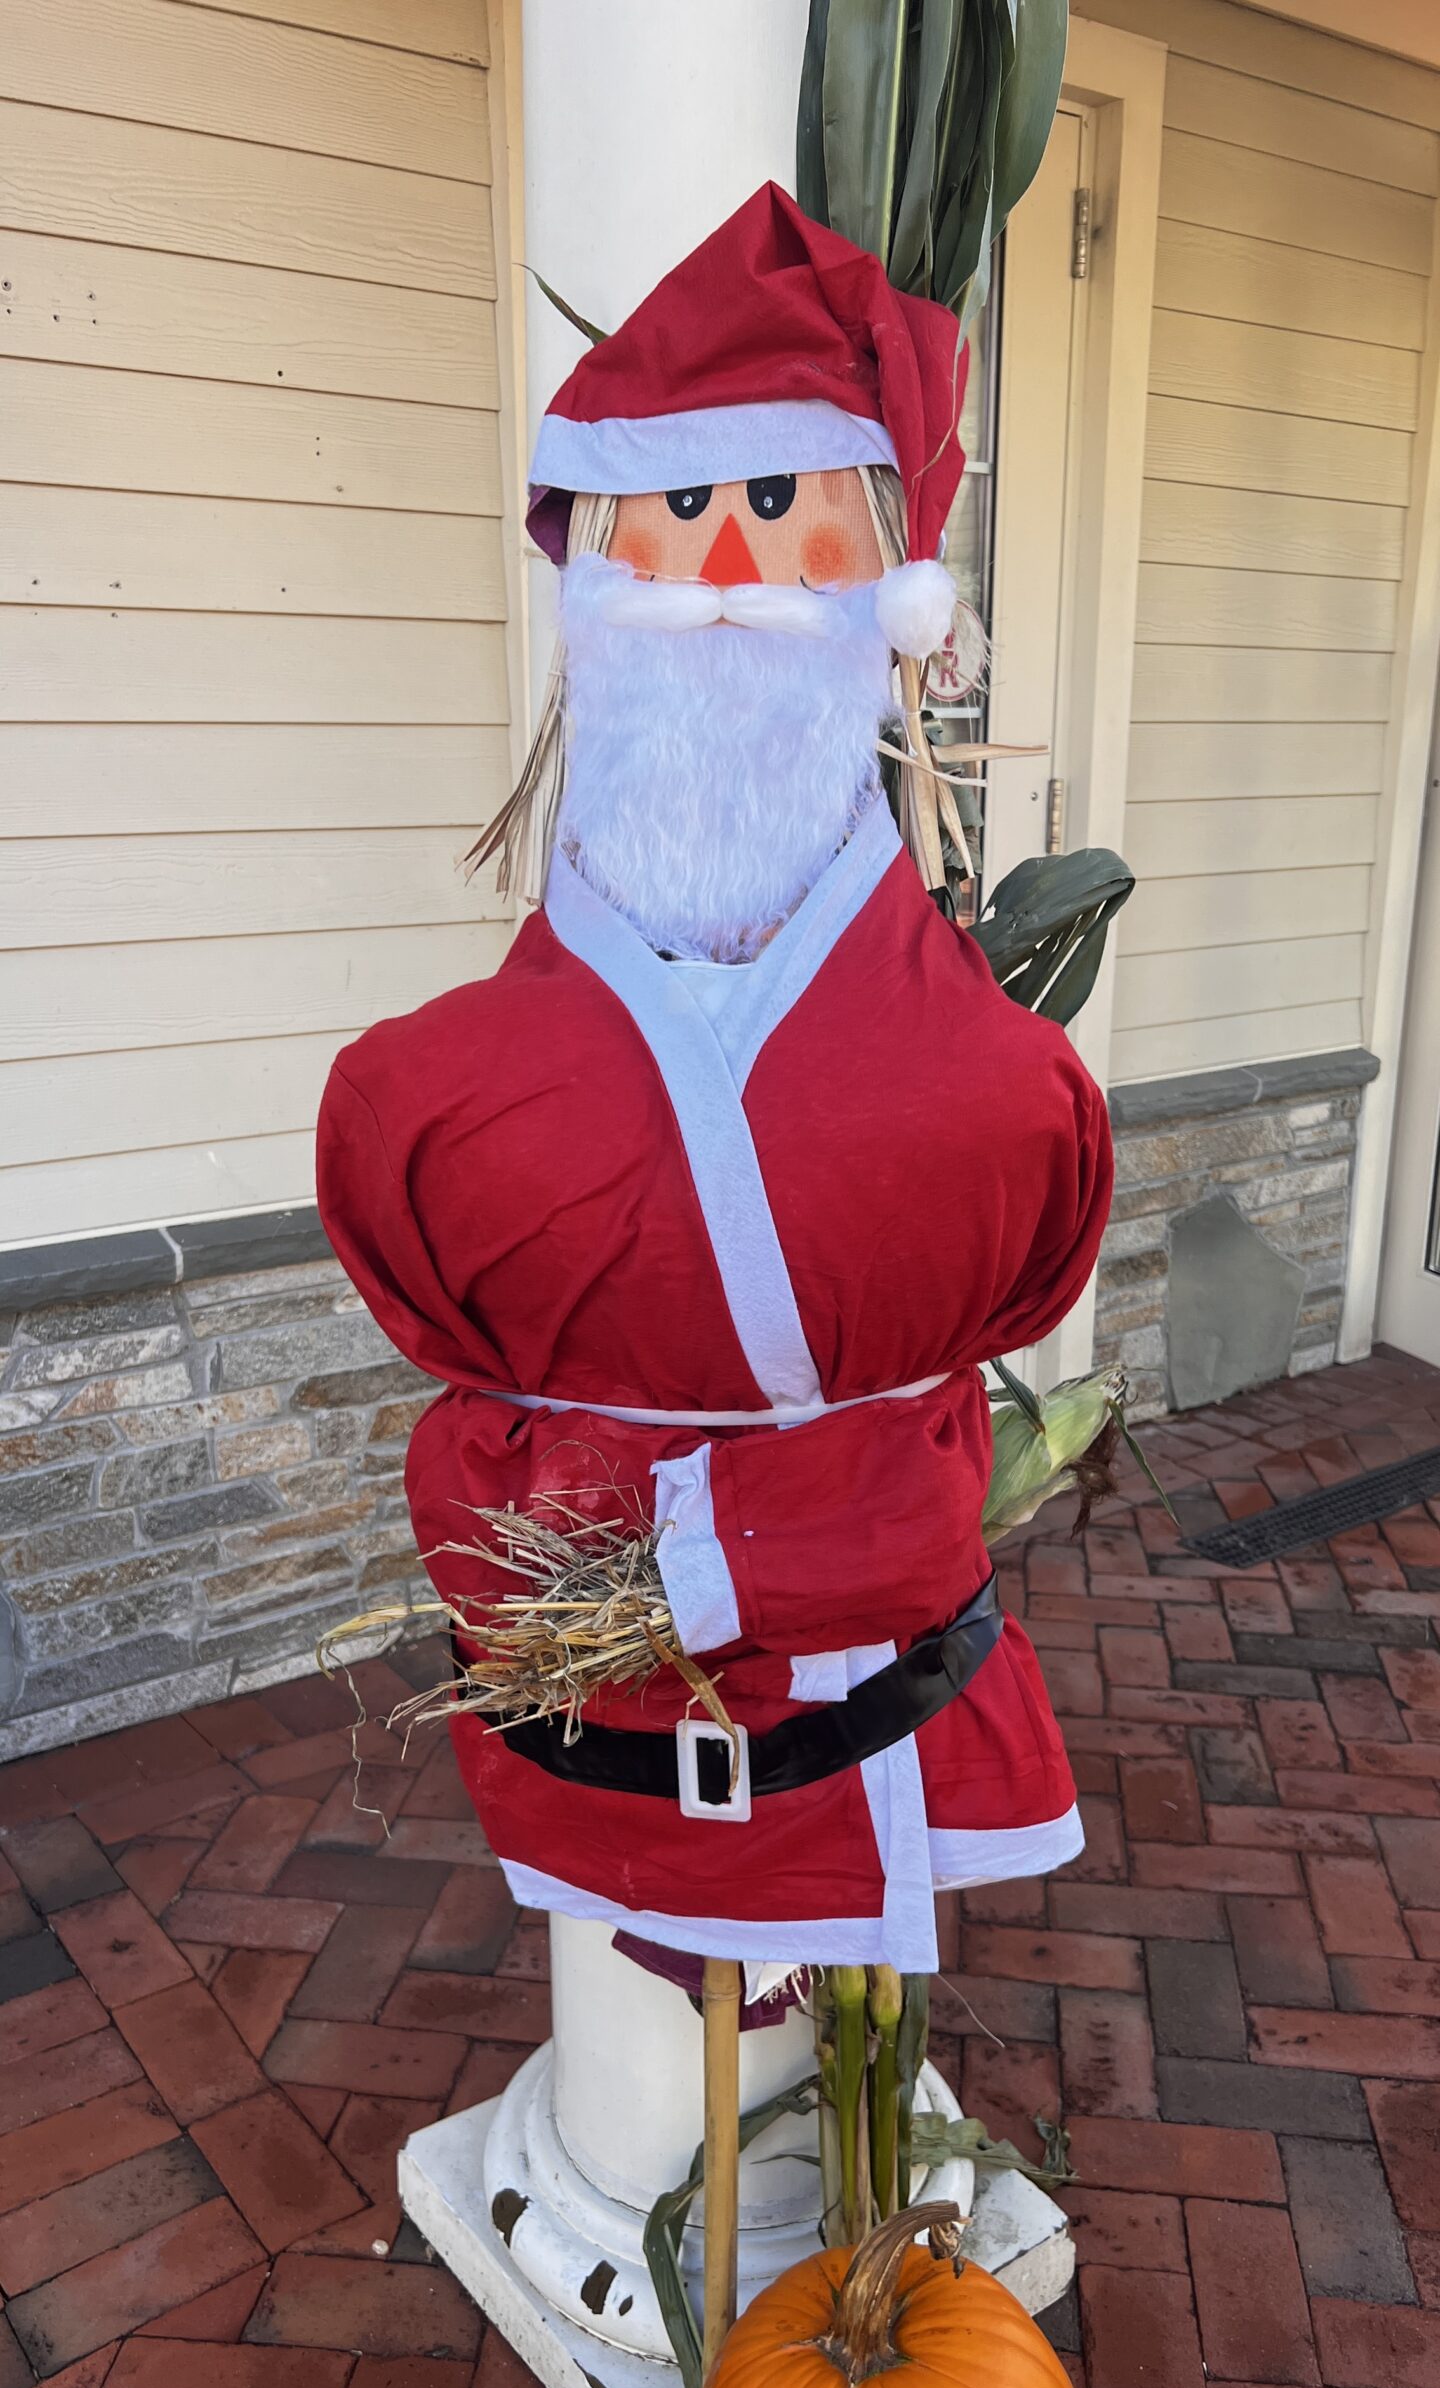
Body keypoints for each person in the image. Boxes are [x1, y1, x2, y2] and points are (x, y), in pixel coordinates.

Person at [317, 183, 1112, 1986]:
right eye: (686, 511)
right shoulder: (421, 1116)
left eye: (780, 503)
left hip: (869, 1691)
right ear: (603, 566)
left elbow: (1019, 1231)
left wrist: (716, 1533)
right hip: (608, 1692)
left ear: (886, 572)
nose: (737, 568)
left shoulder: (1005, 1094)